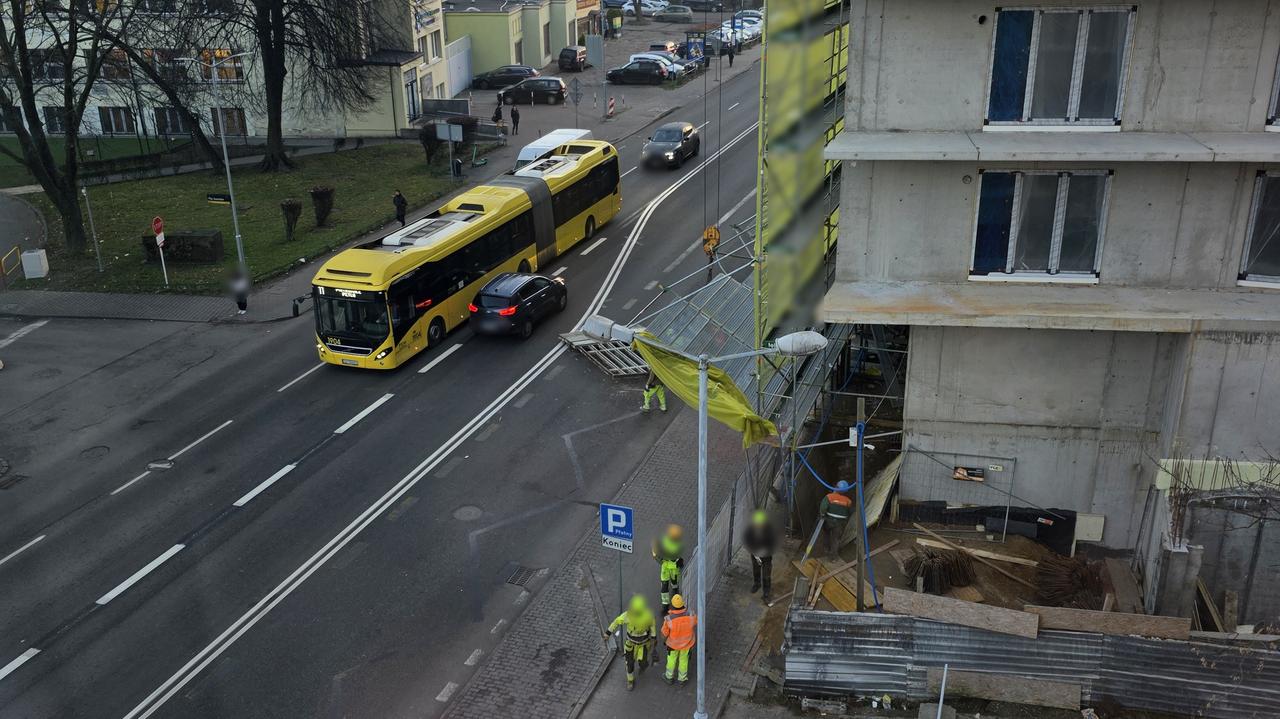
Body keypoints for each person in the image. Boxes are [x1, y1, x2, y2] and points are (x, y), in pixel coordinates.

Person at [606, 594, 656, 691]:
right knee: (629, 663)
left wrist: (654, 637)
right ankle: (630, 680)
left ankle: (643, 665)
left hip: (644, 644)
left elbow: (652, 625)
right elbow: (616, 621)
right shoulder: (628, 615)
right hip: (631, 645)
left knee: (643, 662)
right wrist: (608, 632)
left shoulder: (648, 615)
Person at [661, 594, 696, 685]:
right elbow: (695, 622)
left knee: (671, 660)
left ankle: (669, 677)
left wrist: (664, 641)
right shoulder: (691, 615)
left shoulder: (669, 619)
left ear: (672, 605)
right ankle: (682, 679)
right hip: (687, 644)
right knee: (684, 660)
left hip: (673, 645)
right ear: (682, 604)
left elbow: (664, 633)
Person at [743, 509, 776, 603]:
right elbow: (747, 541)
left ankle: (766, 592)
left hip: (766, 557)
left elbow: (773, 544)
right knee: (756, 570)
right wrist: (753, 551)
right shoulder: (750, 530)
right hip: (755, 554)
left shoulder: (769, 531)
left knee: (766, 574)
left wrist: (765, 551)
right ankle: (757, 584)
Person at [651, 523, 684, 615]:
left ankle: (675, 594)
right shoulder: (667, 540)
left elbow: (671, 556)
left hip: (671, 568)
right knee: (664, 588)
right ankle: (665, 605)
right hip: (667, 568)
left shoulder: (678, 545)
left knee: (673, 583)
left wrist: (658, 550)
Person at [818, 480, 854, 558]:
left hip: (828, 521)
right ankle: (833, 556)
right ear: (846, 491)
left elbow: (823, 507)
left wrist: (822, 515)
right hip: (840, 523)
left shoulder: (829, 497)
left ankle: (826, 549)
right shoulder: (848, 501)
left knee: (826, 534)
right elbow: (851, 512)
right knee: (836, 539)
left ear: (836, 487)